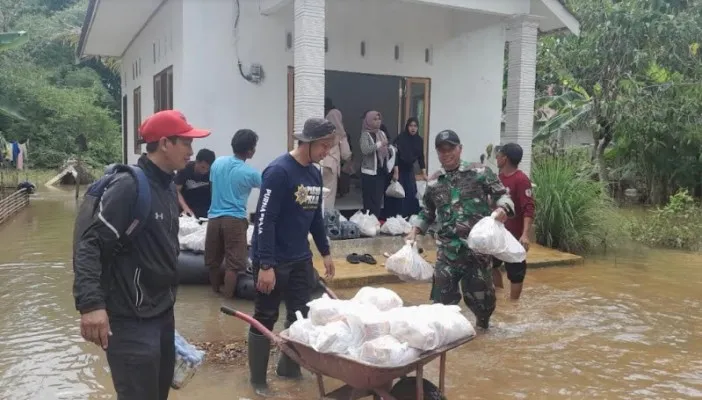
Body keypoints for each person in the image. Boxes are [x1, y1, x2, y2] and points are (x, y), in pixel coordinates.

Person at [73, 109, 210, 399]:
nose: (191, 151)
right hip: (129, 320)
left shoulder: (166, 186)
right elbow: (89, 244)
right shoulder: (130, 186)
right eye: (186, 142)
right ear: (164, 144)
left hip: (160, 314)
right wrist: (91, 305)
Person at [248, 118, 336, 394]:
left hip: (300, 259)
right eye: (324, 146)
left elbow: (315, 219)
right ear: (307, 142)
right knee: (265, 316)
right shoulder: (278, 171)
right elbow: (265, 220)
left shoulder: (314, 173)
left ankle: (288, 367)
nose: (326, 152)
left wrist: (325, 251)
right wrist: (265, 264)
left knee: (300, 314)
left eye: (329, 146)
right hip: (273, 259)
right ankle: (258, 381)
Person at [406, 130, 514, 330]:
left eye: (451, 149)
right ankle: (448, 345)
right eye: (441, 150)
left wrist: (503, 208)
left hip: (477, 252)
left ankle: (482, 336)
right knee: (441, 306)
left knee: (483, 305)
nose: (446, 154)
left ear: (460, 149)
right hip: (447, 252)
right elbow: (427, 212)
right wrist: (415, 230)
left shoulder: (479, 173)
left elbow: (502, 195)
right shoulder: (434, 182)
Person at [205, 129, 261, 298]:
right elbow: (270, 188)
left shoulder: (217, 164)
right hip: (235, 219)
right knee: (234, 264)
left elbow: (213, 185)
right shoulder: (251, 173)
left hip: (213, 218)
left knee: (213, 261)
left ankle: (215, 294)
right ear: (250, 151)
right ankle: (227, 302)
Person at [492, 143, 534, 300]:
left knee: (516, 272)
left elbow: (528, 208)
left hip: (515, 236)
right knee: (490, 265)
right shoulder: (498, 178)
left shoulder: (521, 180)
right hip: (497, 233)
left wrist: (525, 235)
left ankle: (514, 304)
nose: (496, 157)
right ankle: (499, 294)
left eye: (499, 155)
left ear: (505, 158)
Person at [387, 117, 427, 218]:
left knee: (411, 192)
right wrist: (396, 172)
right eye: (411, 126)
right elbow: (394, 155)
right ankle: (399, 216)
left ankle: (411, 217)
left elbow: (421, 157)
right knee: (399, 193)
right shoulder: (401, 138)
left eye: (415, 126)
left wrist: (424, 173)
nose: (413, 128)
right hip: (399, 169)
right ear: (407, 127)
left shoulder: (419, 140)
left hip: (409, 170)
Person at [359, 110, 391, 218]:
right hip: (369, 172)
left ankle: (375, 221)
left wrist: (389, 150)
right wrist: (379, 144)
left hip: (380, 170)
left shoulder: (381, 133)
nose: (378, 121)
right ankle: (368, 223)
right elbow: (365, 150)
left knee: (377, 199)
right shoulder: (365, 135)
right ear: (368, 120)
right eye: (375, 119)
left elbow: (386, 150)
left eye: (379, 119)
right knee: (369, 200)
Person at [322, 98, 352, 210]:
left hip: (319, 164)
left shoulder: (322, 130)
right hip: (331, 166)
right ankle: (325, 220)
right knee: (328, 195)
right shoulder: (339, 133)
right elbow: (346, 154)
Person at [174, 148, 215, 218]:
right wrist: (185, 208)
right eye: (203, 167)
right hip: (187, 207)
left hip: (205, 209)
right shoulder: (185, 169)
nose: (205, 171)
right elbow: (176, 190)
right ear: (197, 161)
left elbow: (214, 192)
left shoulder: (212, 172)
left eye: (208, 169)